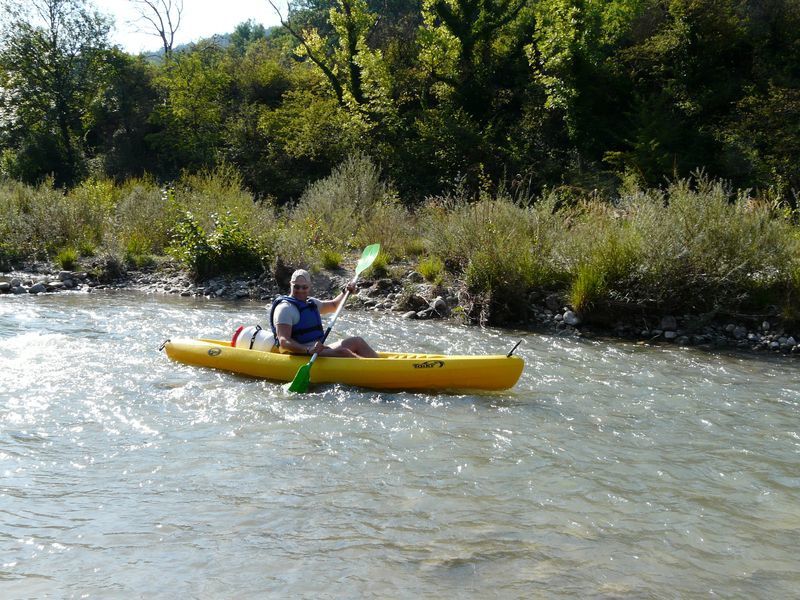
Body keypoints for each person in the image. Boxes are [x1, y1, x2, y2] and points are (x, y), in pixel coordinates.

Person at [269, 269, 379, 358]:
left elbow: (334, 305)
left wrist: (346, 291)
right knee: (344, 353)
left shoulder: (312, 303)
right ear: (290, 285)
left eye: (304, 287)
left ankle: (379, 365)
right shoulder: (284, 309)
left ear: (309, 286)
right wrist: (307, 350)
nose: (300, 290)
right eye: (296, 286)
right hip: (299, 354)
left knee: (357, 341)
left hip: (317, 350)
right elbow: (284, 342)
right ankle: (374, 371)